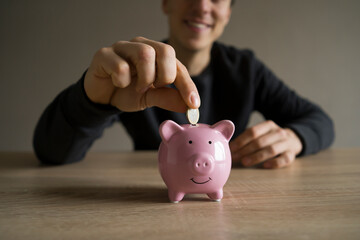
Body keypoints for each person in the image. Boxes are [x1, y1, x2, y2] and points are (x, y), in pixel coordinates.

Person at [33, 0, 334, 169]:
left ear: (228, 12)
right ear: (166, 2)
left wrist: (296, 137)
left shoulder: (246, 69)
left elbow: (320, 121)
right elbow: (50, 152)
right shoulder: (135, 73)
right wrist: (91, 102)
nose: (202, 5)